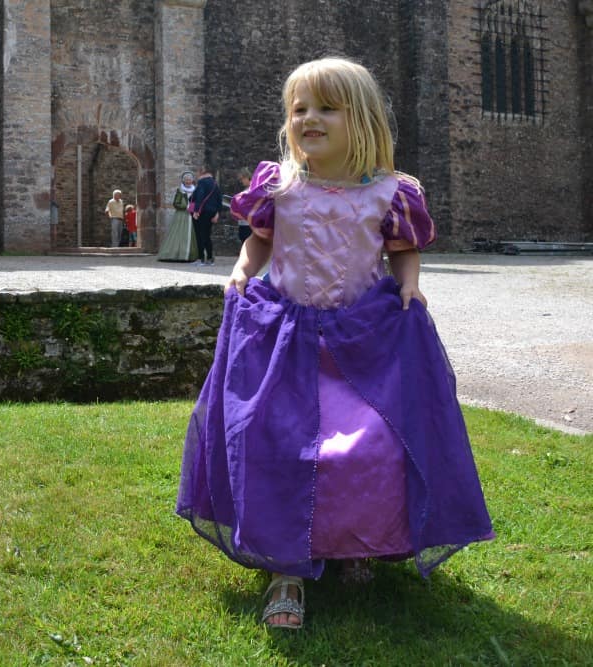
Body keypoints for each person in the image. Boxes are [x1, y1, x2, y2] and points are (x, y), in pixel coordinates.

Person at [175, 57, 494, 630]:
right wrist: (243, 271)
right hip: (285, 337)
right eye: (299, 110)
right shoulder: (280, 186)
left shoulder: (389, 194)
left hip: (362, 338)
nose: (309, 119)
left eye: (326, 108)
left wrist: (411, 287)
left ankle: (355, 543)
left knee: (370, 447)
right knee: (277, 444)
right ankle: (285, 571)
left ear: (363, 120)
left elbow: (401, 251)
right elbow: (259, 242)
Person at [157, 171, 198, 262]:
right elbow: (176, 203)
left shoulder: (196, 190)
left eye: (190, 180)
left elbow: (197, 201)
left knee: (194, 234)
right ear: (183, 181)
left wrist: (193, 208)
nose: (188, 181)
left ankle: (192, 255)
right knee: (179, 233)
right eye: (186, 180)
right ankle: (178, 254)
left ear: (192, 181)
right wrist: (185, 207)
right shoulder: (180, 191)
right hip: (181, 215)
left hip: (192, 214)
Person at [188, 166, 222, 265]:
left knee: (200, 235)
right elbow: (219, 200)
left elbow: (200, 196)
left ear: (202, 172)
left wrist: (196, 211)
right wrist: (217, 213)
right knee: (207, 235)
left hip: (201, 212)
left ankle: (201, 258)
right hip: (211, 212)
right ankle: (210, 259)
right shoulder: (215, 183)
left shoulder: (202, 182)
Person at [234, 167, 253, 245]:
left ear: (247, 177)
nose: (241, 181)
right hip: (243, 222)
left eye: (242, 179)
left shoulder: (252, 190)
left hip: (248, 223)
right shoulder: (247, 190)